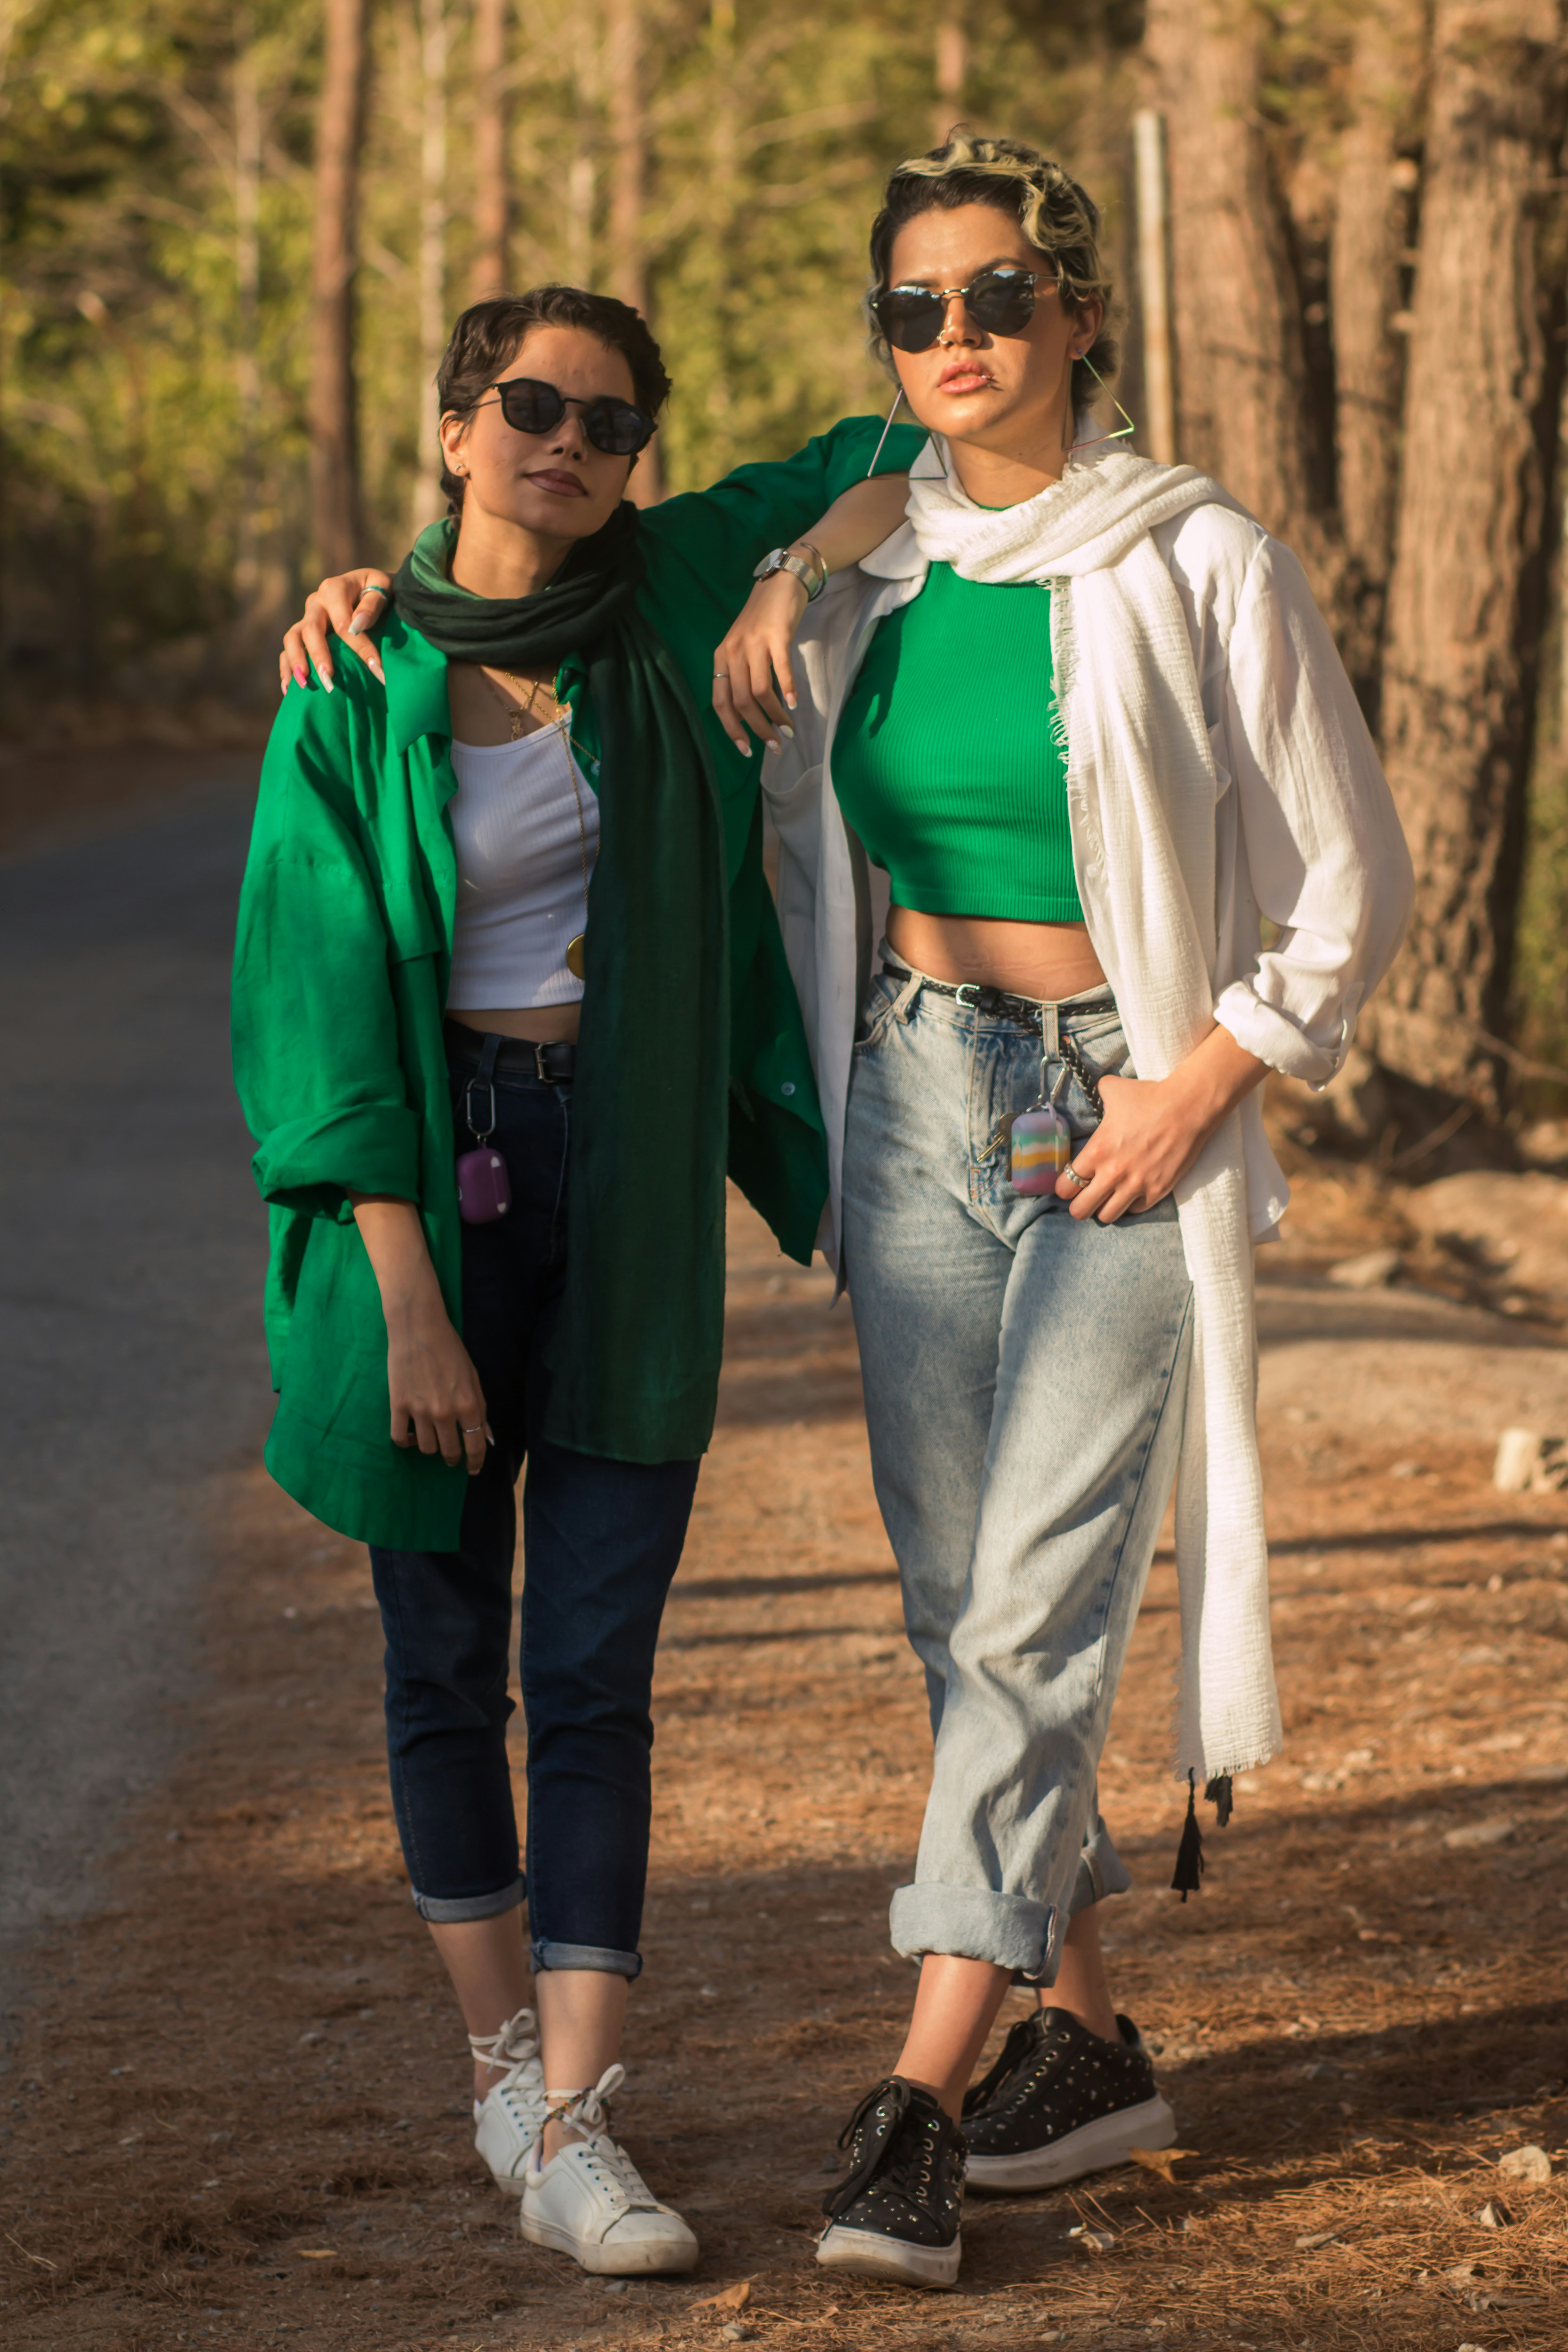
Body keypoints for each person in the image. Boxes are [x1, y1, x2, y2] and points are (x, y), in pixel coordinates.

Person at [701, 132, 1415, 2288]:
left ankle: (915, 2088)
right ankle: (1091, 2039)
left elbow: (1351, 882)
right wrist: (763, 569)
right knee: (959, 1601)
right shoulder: (871, 576)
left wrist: (1205, 1078)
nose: (954, 338)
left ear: (1081, 314)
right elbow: (577, 564)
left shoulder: (1200, 561)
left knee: (1035, 1598)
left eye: (995, 296)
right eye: (913, 308)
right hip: (914, 1088)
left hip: (1129, 1112)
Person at [237, 282, 920, 2277]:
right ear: (458, 428)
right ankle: (495, 2068)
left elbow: (898, 456)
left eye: (611, 421)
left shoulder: (672, 576)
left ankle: (578, 2110)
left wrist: (789, 569)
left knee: (595, 1662)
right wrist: (408, 1295)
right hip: (415, 1204)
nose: (570, 442)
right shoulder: (348, 676)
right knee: (442, 1655)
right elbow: (315, 998)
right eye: (529, 405)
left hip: (617, 1181)